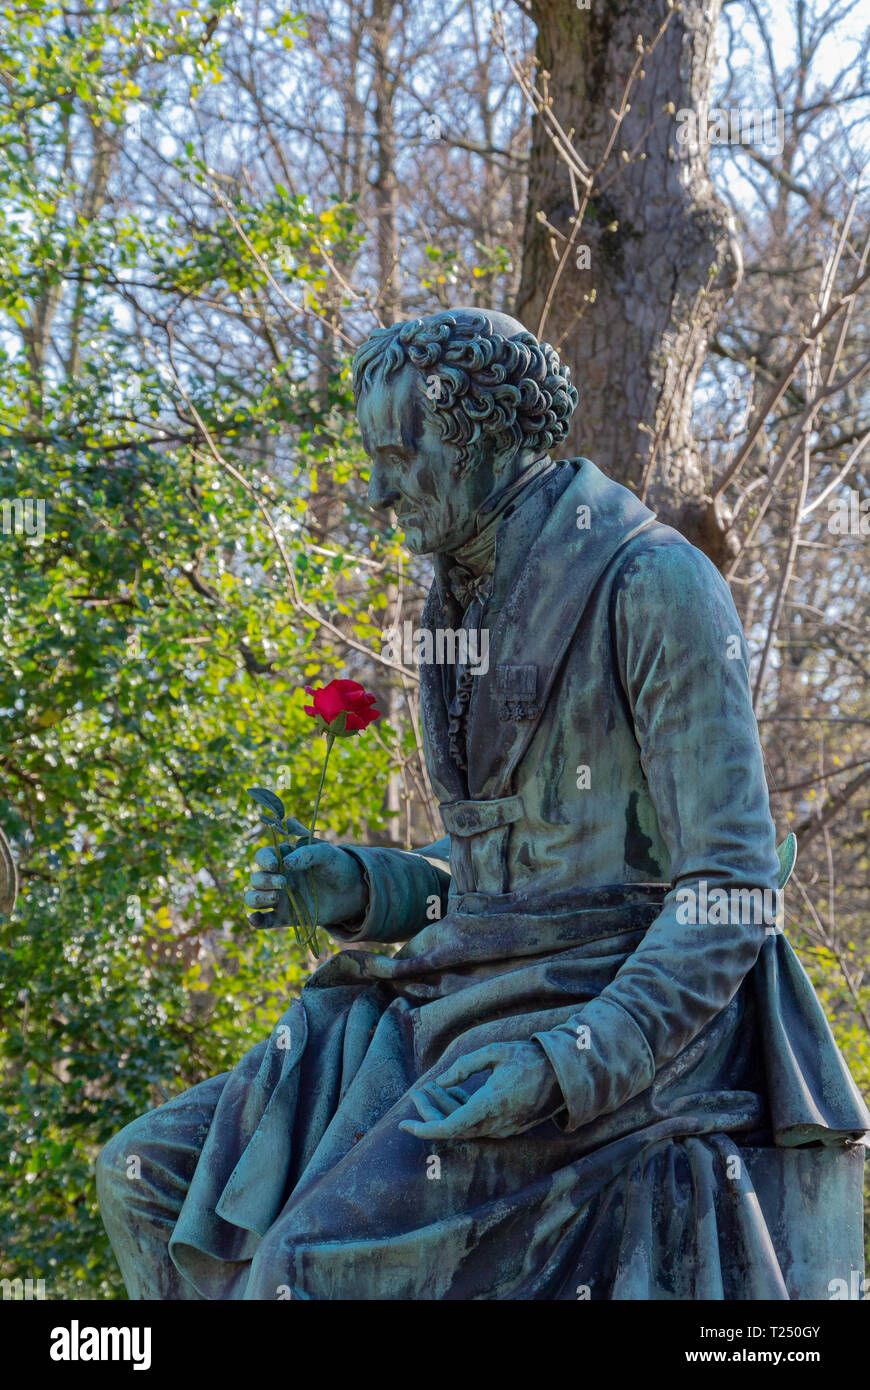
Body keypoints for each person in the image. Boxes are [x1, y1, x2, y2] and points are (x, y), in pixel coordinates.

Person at [97, 308, 868, 1300]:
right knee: (146, 1177)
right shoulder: (461, 601)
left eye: (399, 456)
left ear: (490, 436)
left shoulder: (654, 582)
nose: (376, 494)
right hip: (461, 993)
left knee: (301, 1271)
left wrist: (570, 1062)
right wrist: (366, 884)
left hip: (613, 1018)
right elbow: (508, 875)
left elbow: (732, 892)